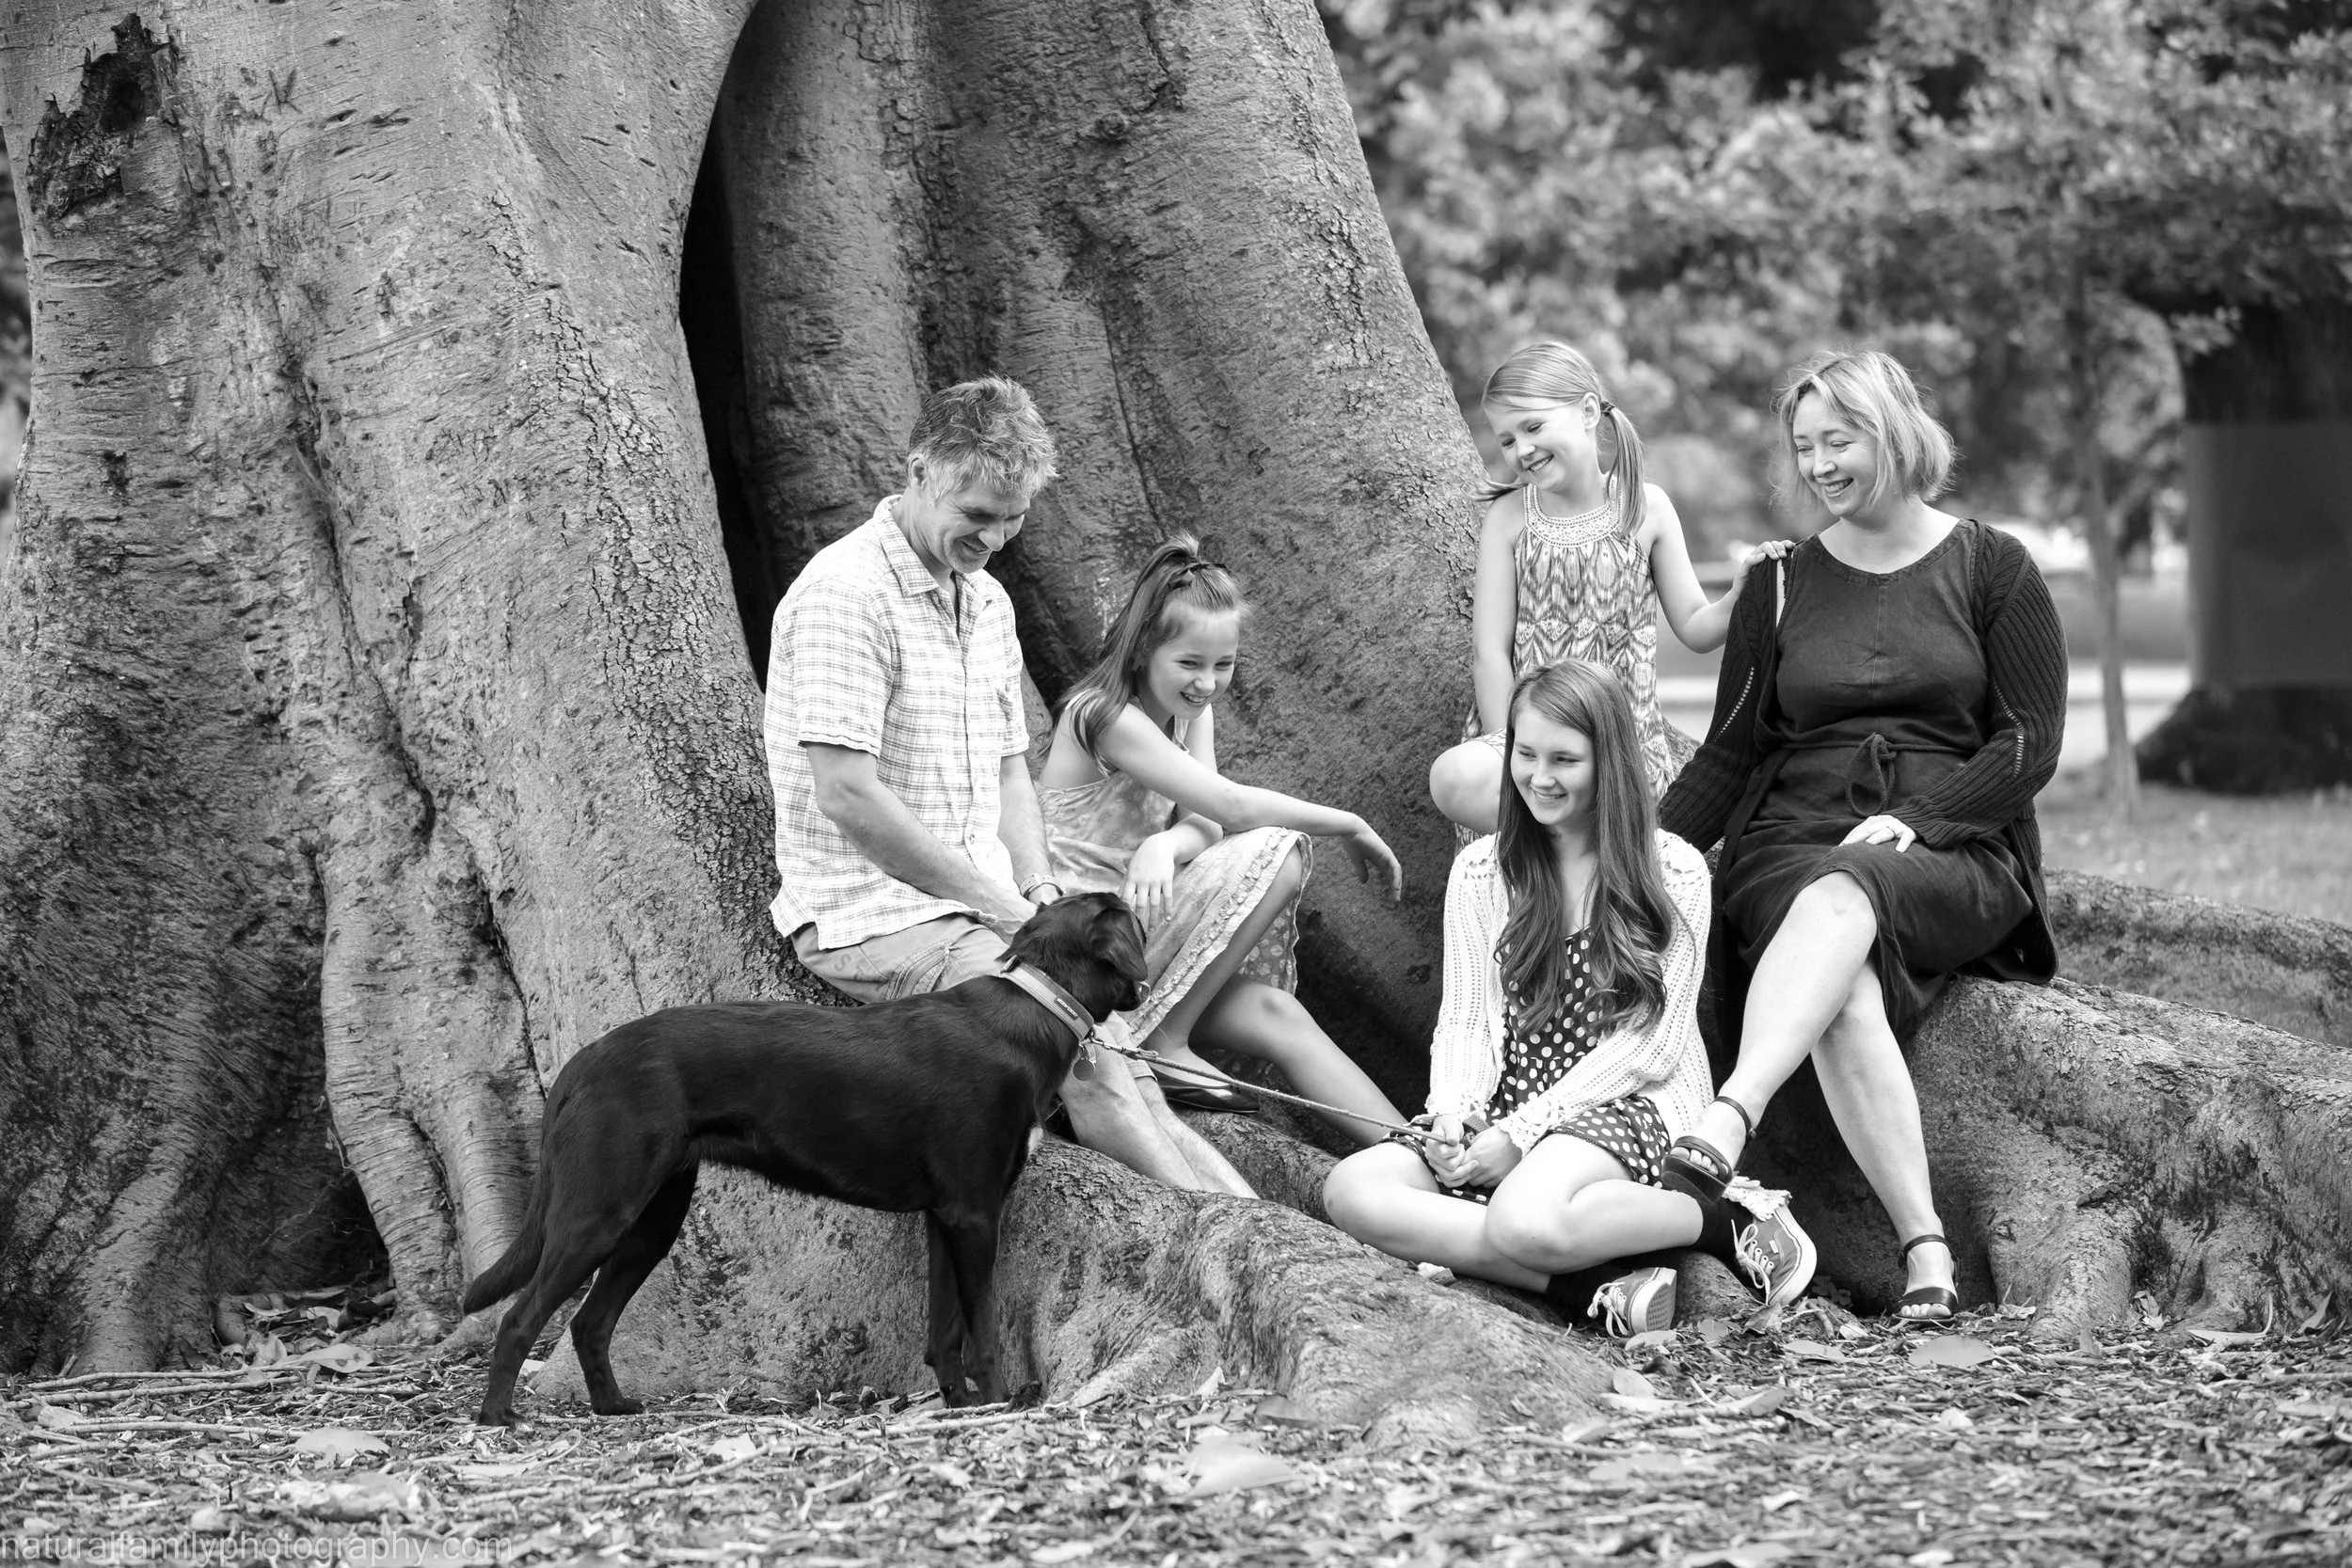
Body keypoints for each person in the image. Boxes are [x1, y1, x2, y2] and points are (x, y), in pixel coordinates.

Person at [764, 375, 1253, 1196]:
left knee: (1125, 1059)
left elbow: (1006, 774)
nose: (995, 537)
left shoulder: (987, 601)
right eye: (978, 515)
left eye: (1014, 516)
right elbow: (846, 793)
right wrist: (1002, 908)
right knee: (1086, 1059)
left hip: (987, 905)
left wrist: (1038, 888)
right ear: (921, 471)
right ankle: (1225, 1246)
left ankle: (1265, 1230)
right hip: (871, 916)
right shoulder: (845, 594)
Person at [1657, 349, 2067, 1322]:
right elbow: (1727, 752)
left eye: (1839, 439)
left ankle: (1729, 1114)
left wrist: (1925, 817)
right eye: (1805, 447)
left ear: (1892, 432)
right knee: (1837, 972)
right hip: (1790, 838)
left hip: (1951, 844)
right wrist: (1642, 853)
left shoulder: (1991, 563)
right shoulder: (1781, 582)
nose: (1820, 464)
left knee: (1846, 889)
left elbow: (2031, 739)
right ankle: (1925, 1250)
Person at [1323, 663, 1817, 1337]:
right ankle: (1593, 1281)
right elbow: (1464, 1021)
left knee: (1520, 1216)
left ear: (1607, 761)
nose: (1540, 777)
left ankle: (1718, 1216)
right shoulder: (1480, 872)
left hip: (1630, 1102)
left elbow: (1653, 1045)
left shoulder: (1670, 870)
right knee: (1352, 1189)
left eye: (1564, 759)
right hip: (1512, 1101)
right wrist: (1453, 1114)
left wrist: (1520, 1138)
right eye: (1525, 755)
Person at [1036, 536, 1409, 1138]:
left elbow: (1205, 820)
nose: (1207, 684)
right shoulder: (1100, 713)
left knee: (1274, 1012)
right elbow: (1231, 807)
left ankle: (1425, 1160)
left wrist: (1166, 845)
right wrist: (1349, 821)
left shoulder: (1189, 712)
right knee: (1278, 849)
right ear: (1140, 653)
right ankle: (1166, 1040)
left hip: (1143, 933)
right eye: (1189, 663)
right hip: (1083, 944)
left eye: (1224, 665)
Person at [1428, 341, 1789, 833]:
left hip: (1618, 738)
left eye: (1533, 427)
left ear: (1588, 411)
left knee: (1611, 804)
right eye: (1507, 440)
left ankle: (1592, 868)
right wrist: (1515, 749)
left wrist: (1740, 593)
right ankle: (1551, 861)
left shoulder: (1646, 507)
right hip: (1531, 737)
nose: (1522, 449)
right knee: (1455, 777)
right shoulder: (1509, 518)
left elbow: (1695, 627)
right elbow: (1489, 653)